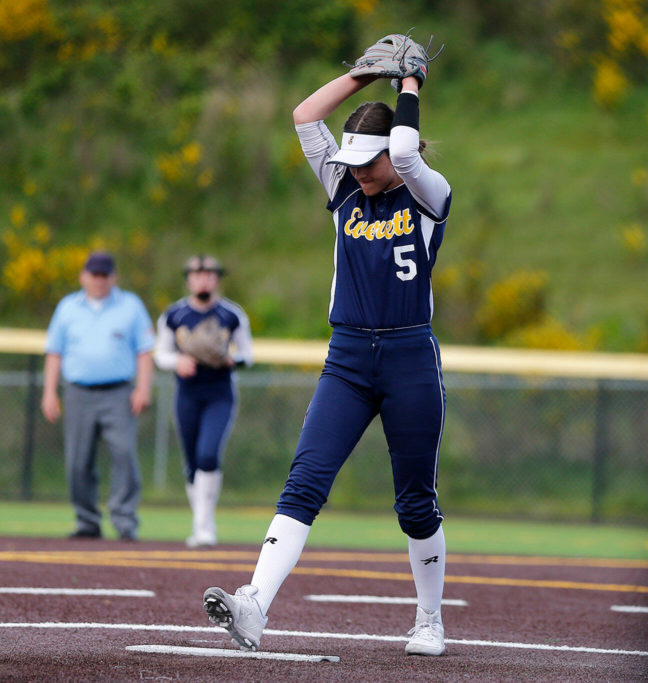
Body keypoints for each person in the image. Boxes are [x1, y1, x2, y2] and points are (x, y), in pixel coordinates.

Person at [202, 34, 452, 657]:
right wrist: (369, 74)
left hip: (408, 357)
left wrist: (411, 84)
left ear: (399, 155)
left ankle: (429, 619)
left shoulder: (427, 194)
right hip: (347, 359)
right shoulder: (343, 188)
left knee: (414, 500)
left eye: (370, 163)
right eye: (354, 163)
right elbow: (304, 116)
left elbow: (402, 149)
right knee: (304, 481)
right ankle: (254, 606)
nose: (361, 173)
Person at [40, 250, 155, 541]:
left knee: (124, 455)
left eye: (105, 275)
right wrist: (50, 392)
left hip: (118, 393)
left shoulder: (130, 306)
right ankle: (87, 520)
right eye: (95, 274)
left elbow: (144, 350)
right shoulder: (68, 307)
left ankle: (125, 521)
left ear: (113, 277)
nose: (99, 280)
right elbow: (55, 352)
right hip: (78, 392)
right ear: (83, 276)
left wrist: (143, 388)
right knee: (78, 461)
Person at [154, 255, 253, 548]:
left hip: (219, 392)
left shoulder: (231, 314)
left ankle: (204, 525)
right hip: (187, 392)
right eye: (198, 275)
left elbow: (248, 353)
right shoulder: (174, 315)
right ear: (189, 279)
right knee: (192, 461)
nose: (204, 280)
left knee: (208, 455)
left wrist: (231, 359)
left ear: (217, 279)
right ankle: (201, 524)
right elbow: (161, 354)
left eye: (209, 274)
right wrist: (178, 360)